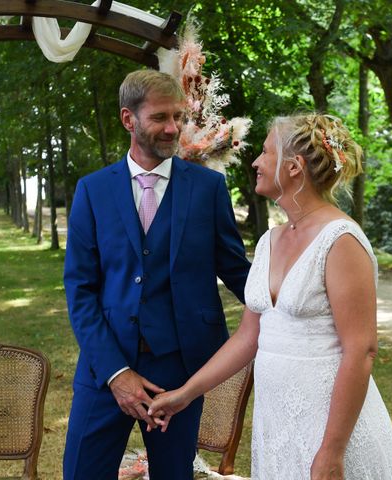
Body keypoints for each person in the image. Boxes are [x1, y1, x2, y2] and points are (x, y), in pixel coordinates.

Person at [148, 113, 392, 479]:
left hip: (330, 426)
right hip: (277, 422)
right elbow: (248, 337)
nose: (255, 161)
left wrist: (332, 452)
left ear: (294, 166)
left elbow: (361, 350)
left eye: (266, 152)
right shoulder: (271, 240)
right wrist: (186, 393)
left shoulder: (341, 240)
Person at [62, 69, 251, 480]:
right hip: (106, 368)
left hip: (181, 370)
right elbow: (80, 289)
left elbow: (238, 271)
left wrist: (292, 298)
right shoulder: (92, 191)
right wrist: (116, 374)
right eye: (160, 118)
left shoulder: (207, 188)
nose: (173, 128)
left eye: (178, 118)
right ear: (129, 119)